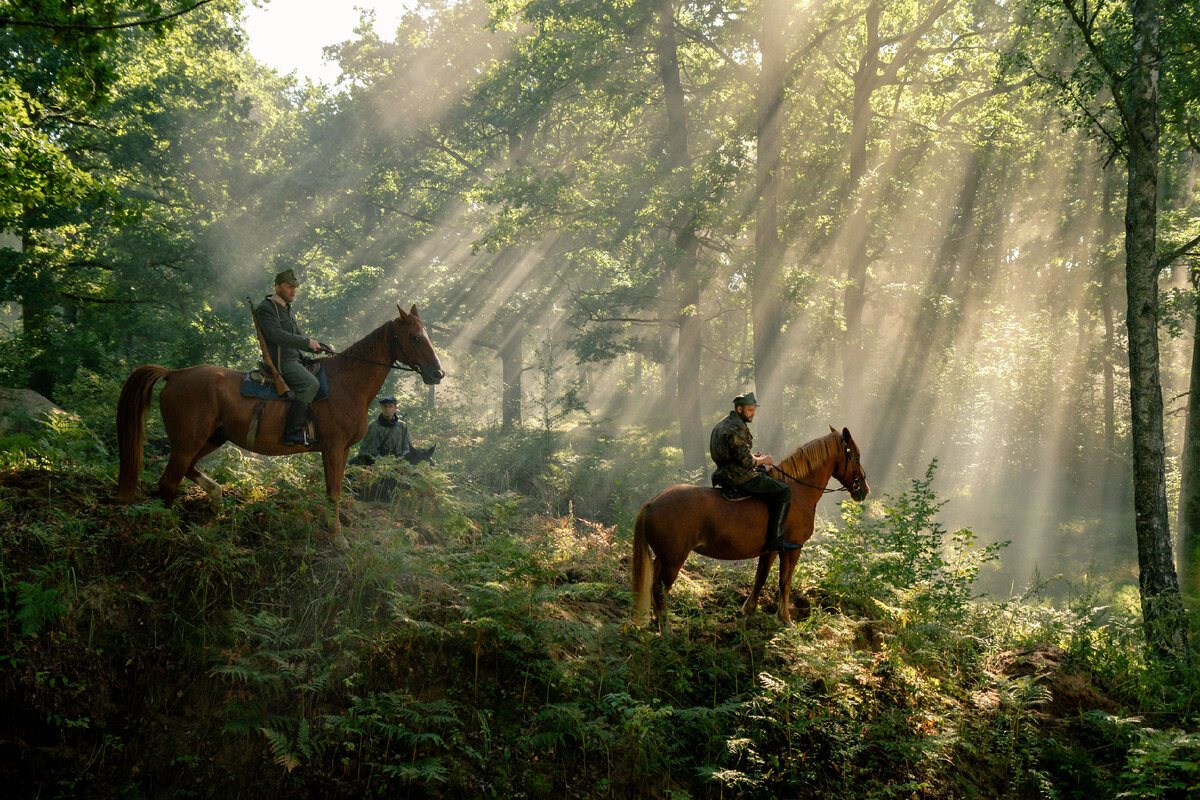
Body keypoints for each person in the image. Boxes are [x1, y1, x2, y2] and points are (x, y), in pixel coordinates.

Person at [709, 392, 800, 553]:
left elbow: (735, 454)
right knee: (784, 491)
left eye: (754, 410)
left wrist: (754, 458)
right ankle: (775, 542)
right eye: (750, 410)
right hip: (738, 476)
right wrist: (764, 460)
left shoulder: (724, 423)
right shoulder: (735, 428)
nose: (752, 414)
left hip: (724, 472)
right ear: (739, 409)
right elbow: (745, 461)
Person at [256, 263, 327, 446]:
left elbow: (295, 335)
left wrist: (314, 347)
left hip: (295, 358)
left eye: (294, 287)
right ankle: (293, 433)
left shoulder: (287, 308)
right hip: (282, 362)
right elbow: (276, 335)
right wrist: (305, 343)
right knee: (311, 384)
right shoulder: (267, 307)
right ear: (277, 286)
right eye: (288, 286)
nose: (292, 290)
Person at [354, 396, 412, 464]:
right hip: (377, 465)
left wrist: (401, 462)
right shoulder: (373, 426)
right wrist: (382, 462)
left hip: (398, 465)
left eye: (390, 406)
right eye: (385, 406)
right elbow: (369, 451)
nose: (387, 409)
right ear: (381, 407)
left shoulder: (402, 426)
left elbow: (407, 448)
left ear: (395, 408)